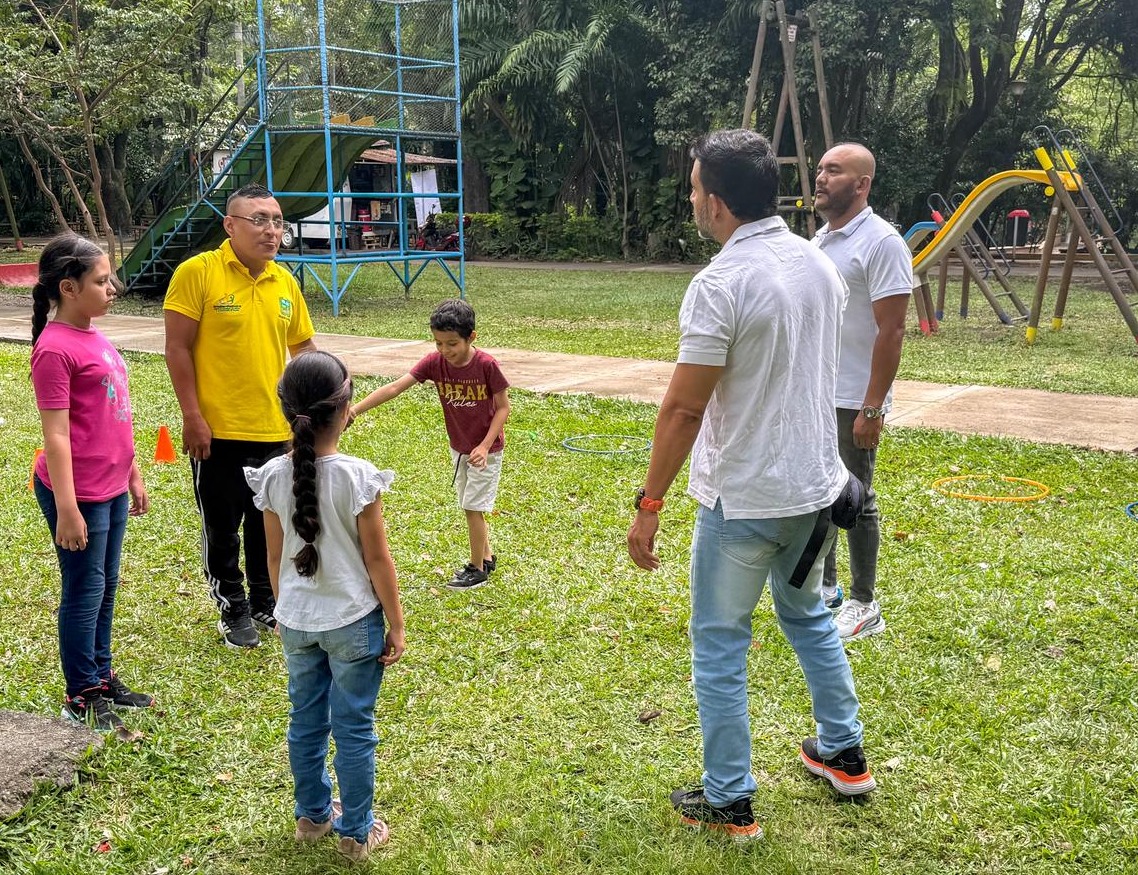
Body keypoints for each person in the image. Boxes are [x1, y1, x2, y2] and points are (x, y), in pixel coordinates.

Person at [626, 129, 875, 843]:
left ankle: (731, 798)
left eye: (696, 186)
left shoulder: (721, 283)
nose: (692, 198)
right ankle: (843, 752)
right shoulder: (817, 262)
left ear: (718, 200)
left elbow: (682, 407)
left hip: (744, 500)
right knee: (808, 617)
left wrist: (649, 504)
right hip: (818, 488)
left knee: (719, 642)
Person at [244, 351, 405, 861]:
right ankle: (356, 833)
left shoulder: (270, 475)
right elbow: (378, 561)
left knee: (305, 721)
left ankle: (311, 818)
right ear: (346, 407)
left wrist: (288, 608)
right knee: (354, 727)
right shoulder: (359, 478)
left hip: (296, 622)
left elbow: (273, 559)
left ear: (286, 410)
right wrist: (397, 625)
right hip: (354, 623)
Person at [164, 183, 317, 649]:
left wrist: (314, 407)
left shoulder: (285, 281)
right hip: (217, 429)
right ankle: (231, 604)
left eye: (277, 221)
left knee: (266, 521)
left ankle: (265, 601)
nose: (270, 230)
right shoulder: (199, 273)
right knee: (221, 524)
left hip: (276, 428)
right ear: (230, 225)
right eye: (259, 219)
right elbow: (177, 348)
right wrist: (193, 416)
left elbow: (304, 348)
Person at [30, 234, 153, 733]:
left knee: (105, 587)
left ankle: (101, 676)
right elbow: (56, 435)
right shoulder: (53, 349)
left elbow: (114, 417)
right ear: (69, 287)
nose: (113, 288)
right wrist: (66, 508)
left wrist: (133, 473)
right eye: (102, 281)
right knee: (84, 589)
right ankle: (81, 693)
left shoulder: (95, 336)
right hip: (76, 492)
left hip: (110, 485)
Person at [813, 142, 912, 640]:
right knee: (823, 492)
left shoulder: (882, 242)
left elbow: (892, 330)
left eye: (835, 170)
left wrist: (872, 408)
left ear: (862, 183)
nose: (821, 177)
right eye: (820, 169)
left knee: (856, 496)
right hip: (819, 393)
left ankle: (863, 602)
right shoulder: (821, 241)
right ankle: (827, 589)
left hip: (857, 397)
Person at [350, 298, 509, 591]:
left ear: (471, 337)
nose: (444, 351)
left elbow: (503, 408)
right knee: (469, 504)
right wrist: (355, 410)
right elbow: (396, 387)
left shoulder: (486, 365)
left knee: (473, 507)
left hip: (486, 451)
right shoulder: (434, 362)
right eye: (438, 343)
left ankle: (476, 570)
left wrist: (485, 446)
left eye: (452, 344)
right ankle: (485, 557)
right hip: (459, 446)